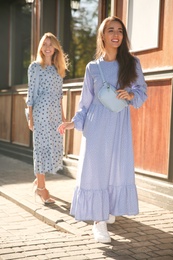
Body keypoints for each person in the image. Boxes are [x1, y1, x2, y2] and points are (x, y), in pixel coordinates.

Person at [58, 16, 147, 243]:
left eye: (119, 31)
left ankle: (108, 209)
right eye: (110, 30)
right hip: (96, 126)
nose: (116, 34)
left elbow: (142, 91)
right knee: (96, 170)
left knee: (116, 168)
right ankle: (98, 223)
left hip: (119, 125)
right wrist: (73, 122)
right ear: (103, 35)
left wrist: (131, 94)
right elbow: (85, 102)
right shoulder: (93, 68)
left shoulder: (132, 63)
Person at [26, 32, 68, 204]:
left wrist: (63, 117)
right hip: (41, 112)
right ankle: (41, 188)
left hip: (55, 114)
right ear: (41, 48)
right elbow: (31, 92)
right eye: (45, 44)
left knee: (54, 146)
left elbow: (59, 96)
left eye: (51, 44)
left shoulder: (58, 69)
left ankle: (39, 179)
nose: (48, 47)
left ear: (56, 47)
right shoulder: (35, 67)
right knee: (41, 148)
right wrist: (30, 117)